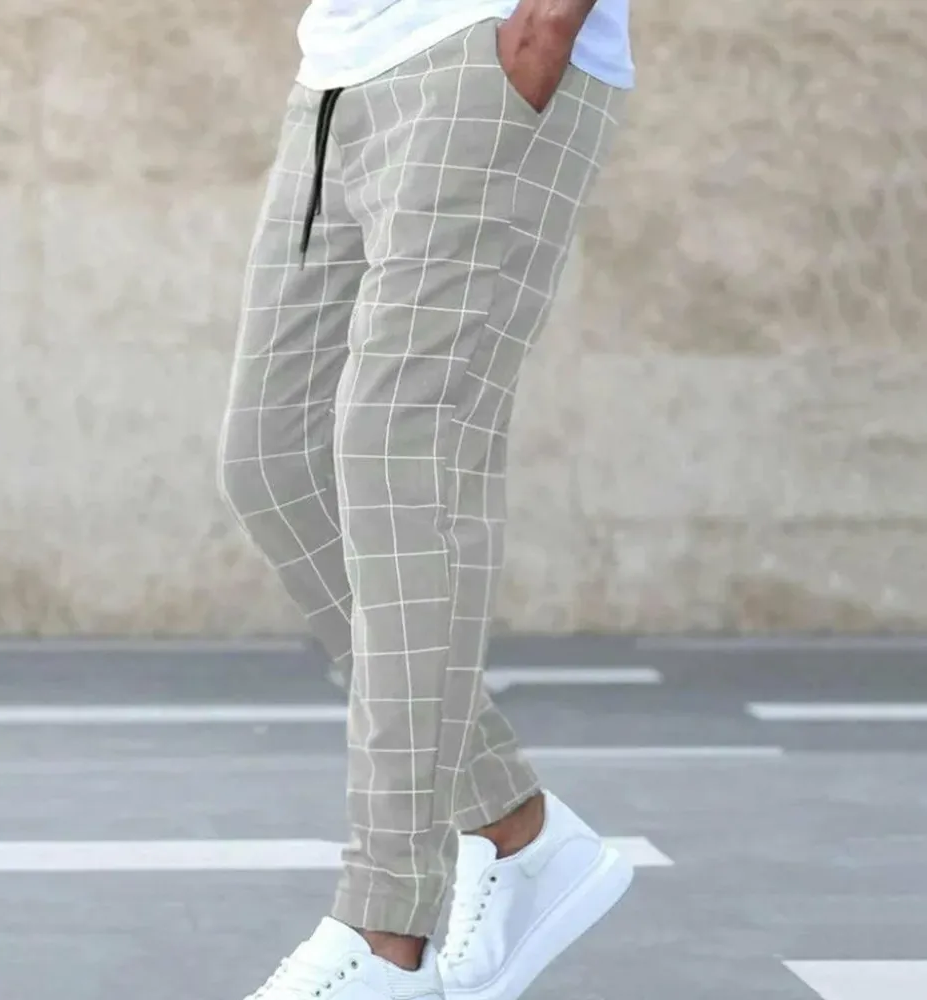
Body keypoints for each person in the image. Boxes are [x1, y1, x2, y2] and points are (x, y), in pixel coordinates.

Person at [218, 1, 634, 997]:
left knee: (406, 456)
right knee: (273, 462)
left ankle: (385, 933)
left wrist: (545, 28)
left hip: (485, 48)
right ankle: (517, 828)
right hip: (337, 71)